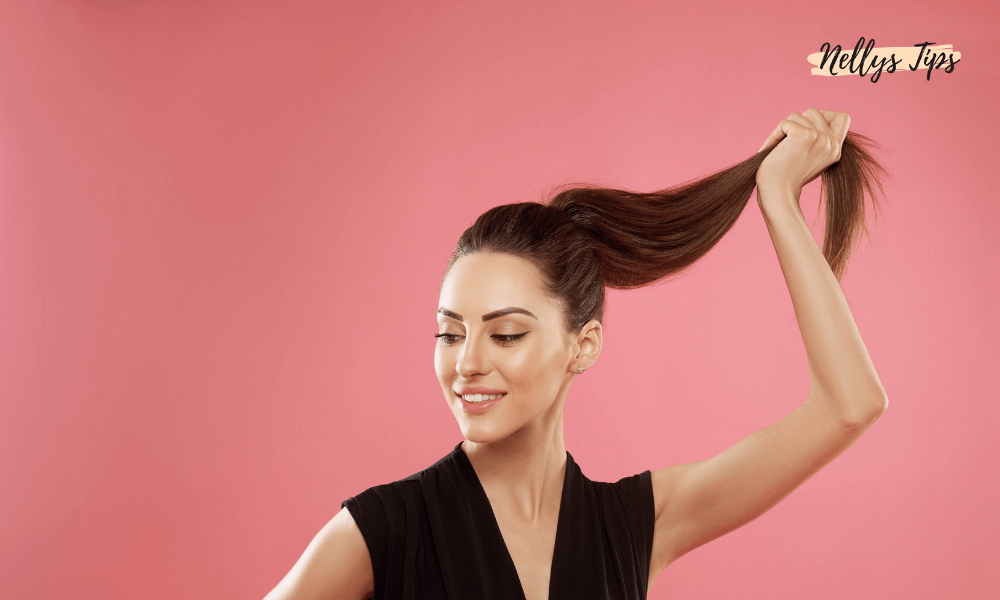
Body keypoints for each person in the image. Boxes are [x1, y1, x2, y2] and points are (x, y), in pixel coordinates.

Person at [263, 108, 890, 600]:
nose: (467, 362)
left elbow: (849, 404)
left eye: (505, 334)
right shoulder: (381, 532)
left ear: (582, 345)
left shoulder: (636, 525)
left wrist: (777, 199)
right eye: (450, 332)